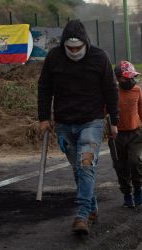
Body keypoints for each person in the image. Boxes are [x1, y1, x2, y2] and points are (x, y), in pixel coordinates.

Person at [38, 20, 119, 235]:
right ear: (64, 44)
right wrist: (44, 118)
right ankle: (92, 208)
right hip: (64, 124)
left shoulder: (99, 58)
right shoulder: (54, 57)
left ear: (86, 43)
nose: (74, 52)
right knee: (79, 169)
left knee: (85, 164)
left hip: (91, 121)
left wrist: (115, 122)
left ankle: (82, 215)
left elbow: (111, 89)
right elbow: (44, 88)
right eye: (70, 48)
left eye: (78, 48)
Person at [111, 60, 142, 208]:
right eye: (126, 77)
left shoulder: (137, 90)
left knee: (135, 162)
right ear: (118, 78)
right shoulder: (112, 93)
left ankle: (138, 190)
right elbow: (103, 112)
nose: (130, 80)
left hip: (135, 133)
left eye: (132, 77)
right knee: (120, 166)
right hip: (117, 136)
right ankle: (127, 194)